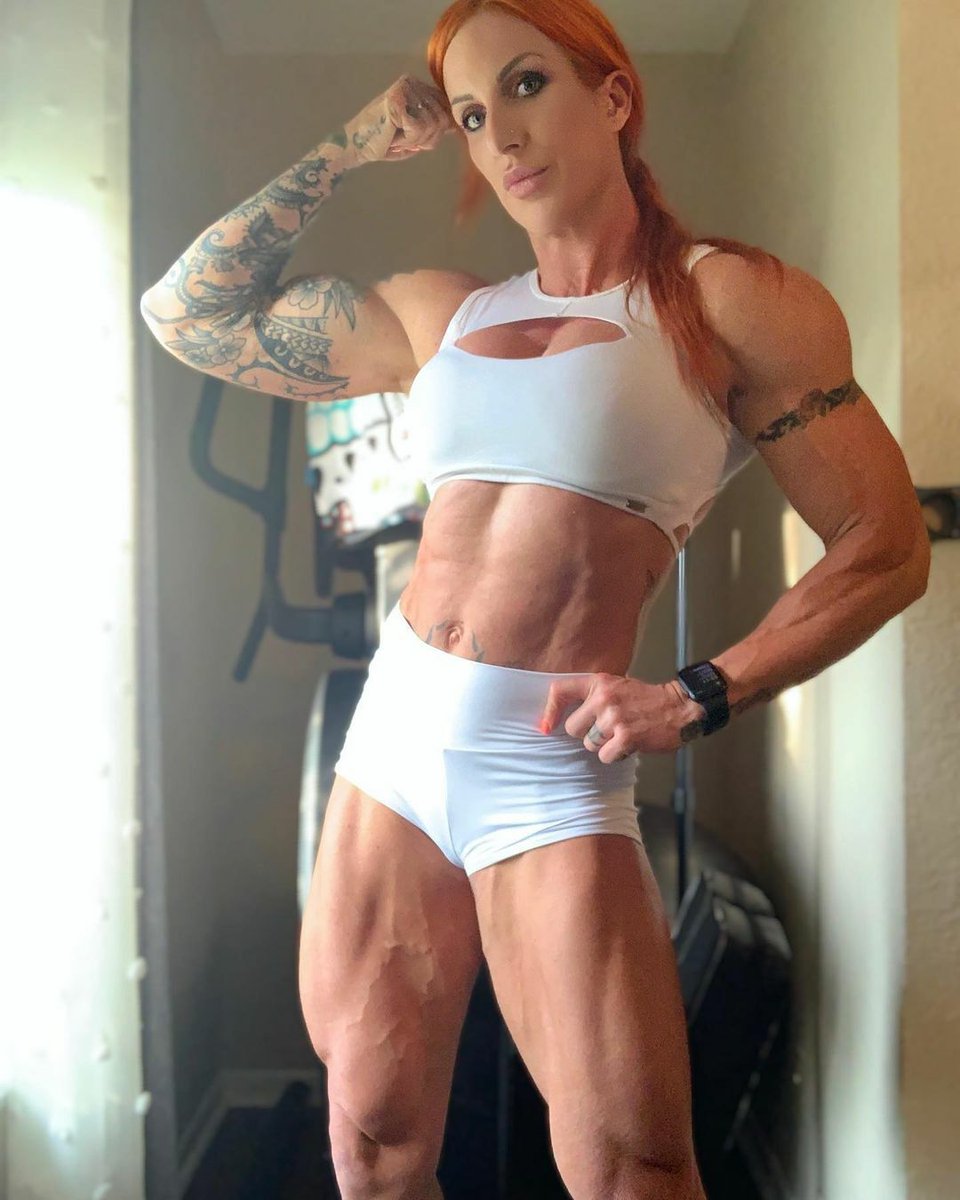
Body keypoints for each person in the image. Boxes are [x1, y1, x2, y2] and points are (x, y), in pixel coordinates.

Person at [140, 1, 930, 1196]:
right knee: (371, 1141)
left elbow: (886, 544)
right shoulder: (441, 313)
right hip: (393, 745)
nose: (499, 134)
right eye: (469, 113)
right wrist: (349, 149)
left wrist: (698, 693)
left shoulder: (730, 301)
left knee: (632, 1166)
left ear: (611, 97)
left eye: (524, 85)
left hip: (545, 765)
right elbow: (187, 314)